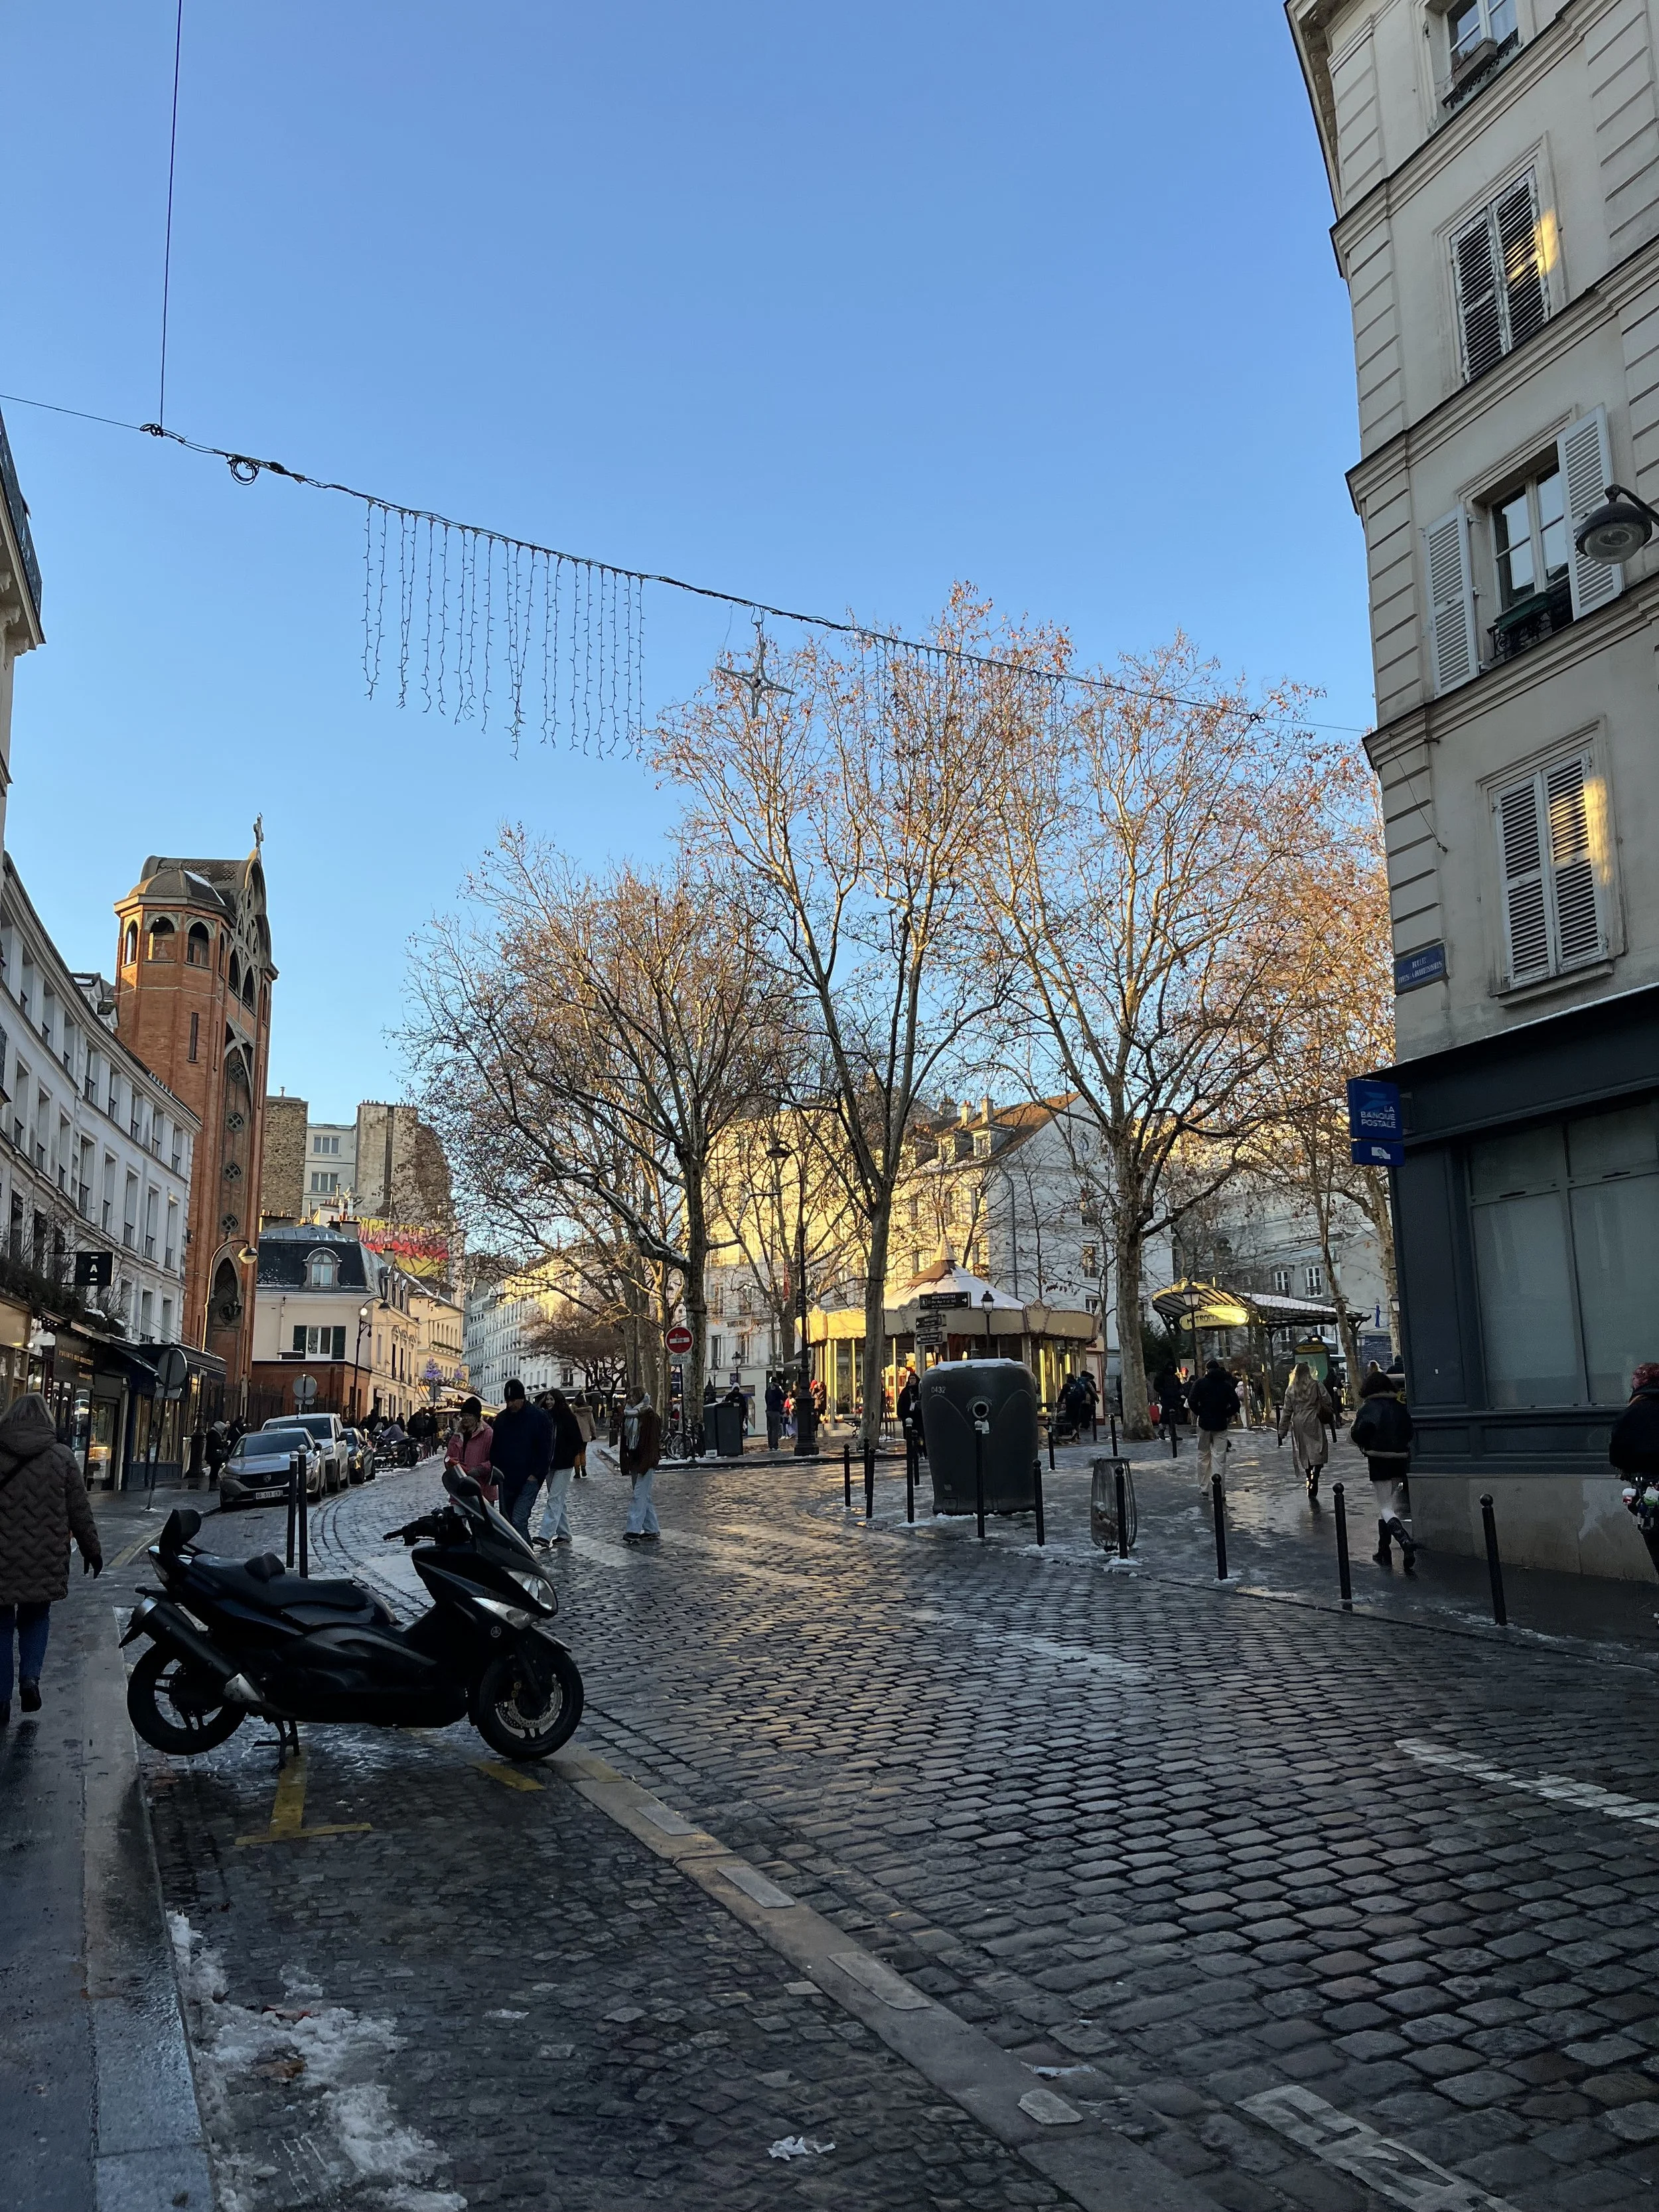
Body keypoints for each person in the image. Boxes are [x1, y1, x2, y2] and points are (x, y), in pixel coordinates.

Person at [0, 1392, 102, 1724]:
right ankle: (30, 1678)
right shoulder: (61, 1457)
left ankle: (1, 1699)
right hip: (43, 1558)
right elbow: (79, 1511)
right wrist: (92, 1550)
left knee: (1, 1627)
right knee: (36, 1617)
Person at [1350, 1366, 1415, 1571]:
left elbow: (1359, 1434)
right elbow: (1409, 1431)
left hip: (1379, 1459)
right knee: (1387, 1505)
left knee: (1386, 1507)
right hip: (1400, 1459)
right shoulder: (1398, 1406)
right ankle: (1383, 1550)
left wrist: (1364, 1443)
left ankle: (1404, 1540)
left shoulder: (1369, 1408)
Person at [490, 1378, 553, 1539]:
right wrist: (496, 1472)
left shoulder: (539, 1417)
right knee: (508, 1521)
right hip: (507, 1479)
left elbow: (546, 1449)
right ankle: (516, 1555)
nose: (510, 1404)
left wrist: (537, 1475)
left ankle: (527, 1558)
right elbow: (495, 1448)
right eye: (508, 1401)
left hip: (529, 1478)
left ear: (522, 1398)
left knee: (519, 1519)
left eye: (513, 1400)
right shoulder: (502, 1420)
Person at [1612, 1364, 1659, 1574]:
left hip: (1647, 1488)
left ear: (1638, 1384)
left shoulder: (1632, 1413)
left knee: (1656, 1542)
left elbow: (1617, 1456)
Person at [1276, 1361, 1336, 1501]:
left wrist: (1282, 1430)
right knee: (1318, 1448)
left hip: (1298, 1422)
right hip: (1314, 1419)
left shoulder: (1291, 1389)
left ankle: (1309, 1476)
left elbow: (1286, 1411)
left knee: (1304, 1452)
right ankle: (1316, 1475)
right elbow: (1327, 1400)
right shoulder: (1316, 1385)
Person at [535, 1390, 586, 1546]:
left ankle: (545, 1534)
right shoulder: (546, 1418)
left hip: (563, 1465)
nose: (549, 1402)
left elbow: (577, 1440)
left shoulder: (567, 1418)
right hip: (550, 1464)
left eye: (552, 1399)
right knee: (558, 1500)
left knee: (554, 1498)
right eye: (548, 1399)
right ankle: (564, 1533)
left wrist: (568, 1454)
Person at [1190, 1358, 1241, 1492]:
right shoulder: (1225, 1385)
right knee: (1219, 1457)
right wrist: (1226, 1414)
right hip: (1220, 1424)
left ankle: (1204, 1488)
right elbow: (1236, 1404)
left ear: (1207, 1370)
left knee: (1203, 1455)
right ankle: (1220, 1489)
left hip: (1204, 1423)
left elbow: (1192, 1401)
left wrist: (1201, 1412)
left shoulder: (1200, 1384)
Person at [620, 1384, 663, 1544]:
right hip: (634, 1460)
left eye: (633, 1396)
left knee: (638, 1496)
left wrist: (648, 1462)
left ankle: (633, 1530)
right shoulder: (628, 1416)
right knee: (645, 1496)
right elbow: (626, 1440)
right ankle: (652, 1528)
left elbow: (652, 1442)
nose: (630, 1399)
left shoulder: (650, 1416)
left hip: (646, 1461)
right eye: (628, 1396)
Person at [445, 1396, 496, 1503]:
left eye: (469, 1416)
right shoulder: (458, 1435)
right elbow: (449, 1455)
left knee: (481, 1520)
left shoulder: (488, 1434)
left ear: (477, 1417)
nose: (466, 1419)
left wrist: (478, 1470)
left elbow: (495, 1461)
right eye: (464, 1416)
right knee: (457, 1519)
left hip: (482, 1492)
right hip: (460, 1490)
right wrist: (450, 1464)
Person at [1153, 1363, 1186, 1451]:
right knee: (1166, 1416)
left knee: (1173, 1417)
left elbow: (1179, 1386)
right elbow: (1156, 1386)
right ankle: (1163, 1431)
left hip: (1174, 1399)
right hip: (1166, 1399)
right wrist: (1164, 1392)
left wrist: (1180, 1393)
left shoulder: (1174, 1377)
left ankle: (1172, 1434)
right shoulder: (1162, 1376)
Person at [895, 1366, 920, 1432]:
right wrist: (899, 1414)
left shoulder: (920, 1390)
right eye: (911, 1379)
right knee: (908, 1432)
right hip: (907, 1414)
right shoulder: (905, 1391)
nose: (912, 1381)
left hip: (918, 1415)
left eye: (913, 1379)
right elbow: (900, 1402)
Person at [764, 1376, 786, 1451]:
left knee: (770, 1429)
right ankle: (775, 1445)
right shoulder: (777, 1389)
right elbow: (783, 1397)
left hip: (769, 1411)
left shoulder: (768, 1389)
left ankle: (770, 1445)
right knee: (775, 1429)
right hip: (775, 1411)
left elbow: (766, 1399)